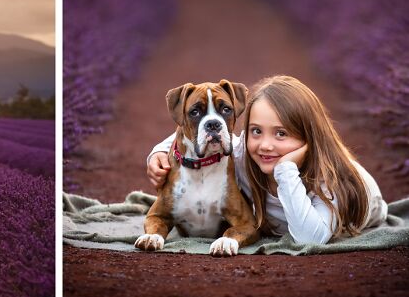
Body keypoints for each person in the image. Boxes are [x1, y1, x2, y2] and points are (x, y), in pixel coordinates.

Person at [147, 76, 388, 244]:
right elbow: (205, 133)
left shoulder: (329, 181)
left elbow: (310, 238)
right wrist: (159, 151)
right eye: (256, 131)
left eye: (281, 133)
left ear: (310, 136)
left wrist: (286, 169)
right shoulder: (244, 154)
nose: (266, 145)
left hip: (367, 202)